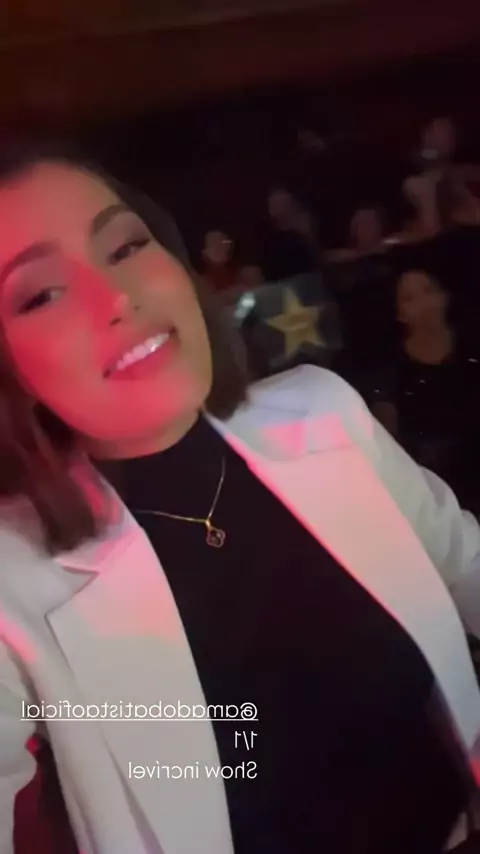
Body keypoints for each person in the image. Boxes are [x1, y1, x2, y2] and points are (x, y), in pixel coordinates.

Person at [1, 150, 480, 854]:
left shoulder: (324, 412)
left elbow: (465, 565)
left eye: (126, 247)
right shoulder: (12, 578)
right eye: (43, 294)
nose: (118, 297)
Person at [357, 267, 480, 512]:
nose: (425, 303)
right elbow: (388, 436)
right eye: (410, 299)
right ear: (400, 313)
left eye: (429, 291)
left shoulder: (473, 339)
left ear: (445, 296)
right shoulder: (390, 367)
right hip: (438, 484)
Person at [261, 188, 321, 280]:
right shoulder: (271, 240)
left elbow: (316, 258)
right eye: (274, 206)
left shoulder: (304, 228)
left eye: (283, 205)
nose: (279, 210)